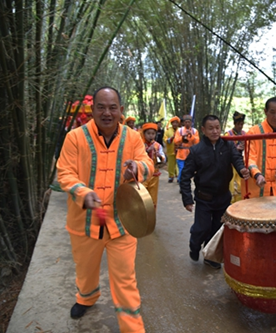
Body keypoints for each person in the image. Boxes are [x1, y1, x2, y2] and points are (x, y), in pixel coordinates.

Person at [57, 87, 153, 333]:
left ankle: (133, 329)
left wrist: (138, 167)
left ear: (121, 110)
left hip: (123, 222)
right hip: (85, 220)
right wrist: (82, 192)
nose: (107, 112)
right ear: (92, 109)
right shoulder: (75, 137)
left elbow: (148, 163)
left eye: (113, 107)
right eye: (101, 107)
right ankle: (86, 298)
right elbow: (65, 173)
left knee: (125, 279)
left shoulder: (132, 137)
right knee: (85, 269)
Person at [180, 115, 250, 269]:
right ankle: (195, 245)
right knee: (201, 228)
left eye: (217, 127)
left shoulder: (228, 145)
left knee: (217, 229)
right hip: (204, 198)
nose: (215, 131)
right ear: (203, 130)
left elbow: (237, 159)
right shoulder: (196, 151)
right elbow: (185, 176)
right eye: (210, 128)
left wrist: (242, 169)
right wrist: (187, 199)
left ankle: (210, 256)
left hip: (223, 197)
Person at [246, 97, 276, 198]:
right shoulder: (253, 132)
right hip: (256, 189)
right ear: (266, 111)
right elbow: (249, 158)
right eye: (272, 112)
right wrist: (257, 175)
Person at [141, 123, 166, 209]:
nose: (151, 136)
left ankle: (151, 219)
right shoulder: (140, 144)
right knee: (143, 198)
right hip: (143, 175)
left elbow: (164, 159)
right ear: (144, 134)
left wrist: (159, 156)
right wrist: (147, 150)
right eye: (148, 133)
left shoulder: (158, 145)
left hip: (154, 175)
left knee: (153, 199)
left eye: (153, 134)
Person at [224, 111, 246, 203]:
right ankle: (231, 203)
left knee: (241, 185)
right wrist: (236, 149)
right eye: (238, 124)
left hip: (242, 162)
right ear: (234, 123)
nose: (240, 126)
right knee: (232, 185)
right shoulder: (228, 135)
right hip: (231, 164)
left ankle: (240, 202)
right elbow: (224, 151)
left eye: (241, 124)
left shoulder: (245, 134)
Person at [174, 114, 199, 183]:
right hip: (181, 154)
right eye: (186, 122)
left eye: (189, 122)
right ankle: (181, 183)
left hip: (191, 154)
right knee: (182, 169)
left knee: (189, 171)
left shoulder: (194, 131)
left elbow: (197, 142)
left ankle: (184, 182)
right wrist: (182, 138)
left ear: (191, 123)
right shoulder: (179, 130)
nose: (187, 123)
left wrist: (192, 136)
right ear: (183, 122)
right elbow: (175, 141)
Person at [163, 116, 180, 183]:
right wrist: (171, 138)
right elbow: (165, 139)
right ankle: (171, 176)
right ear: (171, 123)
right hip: (171, 150)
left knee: (178, 164)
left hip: (179, 150)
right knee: (171, 164)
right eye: (173, 123)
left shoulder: (180, 130)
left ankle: (178, 176)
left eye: (176, 123)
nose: (175, 124)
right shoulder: (167, 131)